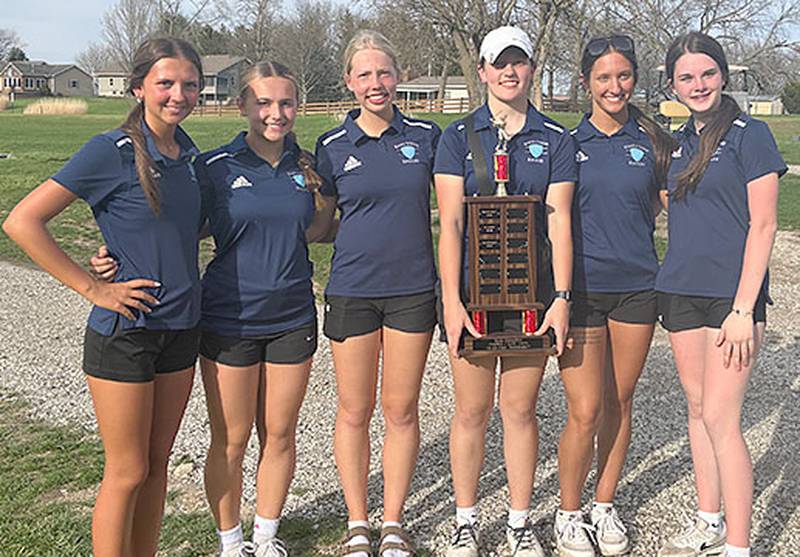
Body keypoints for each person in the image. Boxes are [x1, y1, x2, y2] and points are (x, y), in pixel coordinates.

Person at [91, 60, 335, 557]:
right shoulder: (215, 166)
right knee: (232, 437)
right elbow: (180, 226)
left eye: (285, 103)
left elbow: (321, 227)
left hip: (292, 316)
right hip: (227, 316)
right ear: (243, 105)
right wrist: (112, 258)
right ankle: (231, 542)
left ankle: (266, 537)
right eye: (263, 102)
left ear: (297, 107)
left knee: (281, 433)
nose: (276, 113)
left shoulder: (309, 167)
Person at [3, 37, 204, 557]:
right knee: (127, 469)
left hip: (182, 328)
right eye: (164, 83)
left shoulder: (190, 155)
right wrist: (94, 286)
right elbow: (23, 221)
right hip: (126, 334)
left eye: (188, 84)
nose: (177, 94)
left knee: (158, 465)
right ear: (139, 88)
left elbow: (180, 230)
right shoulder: (109, 151)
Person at [434, 26, 576, 557]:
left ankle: (519, 522)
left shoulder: (555, 139)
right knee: (470, 412)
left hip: (530, 295)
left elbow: (559, 221)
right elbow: (449, 225)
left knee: (520, 410)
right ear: (484, 70)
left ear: (531, 69)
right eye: (500, 64)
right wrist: (451, 301)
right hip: (473, 296)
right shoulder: (456, 137)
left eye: (519, 63)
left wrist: (561, 297)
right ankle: (465, 521)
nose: (509, 72)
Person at [656, 32, 785, 557]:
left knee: (721, 418)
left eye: (707, 74)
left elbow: (764, 225)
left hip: (731, 300)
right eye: (686, 77)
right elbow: (673, 206)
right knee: (696, 408)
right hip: (680, 290)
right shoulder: (679, 141)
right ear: (672, 85)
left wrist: (742, 308)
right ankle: (708, 520)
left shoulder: (751, 135)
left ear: (724, 75)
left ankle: (738, 545)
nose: (698, 84)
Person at [314, 29, 441, 557]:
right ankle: (358, 522)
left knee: (402, 409)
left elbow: (461, 204)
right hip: (352, 290)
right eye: (364, 74)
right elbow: (317, 226)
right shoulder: (330, 146)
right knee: (353, 409)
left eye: (384, 73)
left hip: (412, 290)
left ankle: (393, 523)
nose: (375, 83)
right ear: (348, 81)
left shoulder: (428, 137)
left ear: (399, 76)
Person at [553, 35, 674, 557]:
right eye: (603, 77)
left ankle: (604, 504)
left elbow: (679, 204)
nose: (614, 86)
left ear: (635, 79)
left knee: (619, 403)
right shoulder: (565, 143)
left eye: (623, 76)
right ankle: (568, 511)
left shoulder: (653, 143)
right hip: (580, 292)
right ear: (586, 84)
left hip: (637, 288)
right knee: (584, 409)